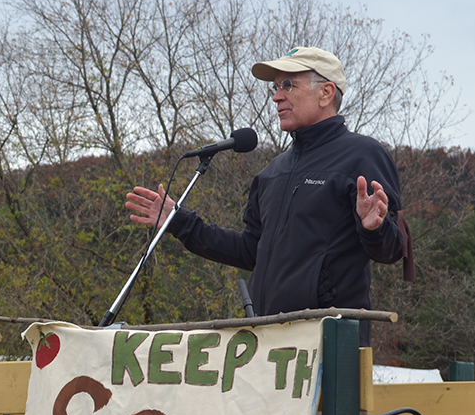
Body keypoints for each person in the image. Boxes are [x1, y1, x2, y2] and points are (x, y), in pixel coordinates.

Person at [125, 46, 412, 345]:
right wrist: (179, 221)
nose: (276, 96)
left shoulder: (363, 155)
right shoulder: (272, 172)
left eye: (288, 85)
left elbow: (391, 250)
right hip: (267, 343)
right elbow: (251, 251)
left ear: (326, 93)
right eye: (276, 87)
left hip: (330, 342)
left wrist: (374, 227)